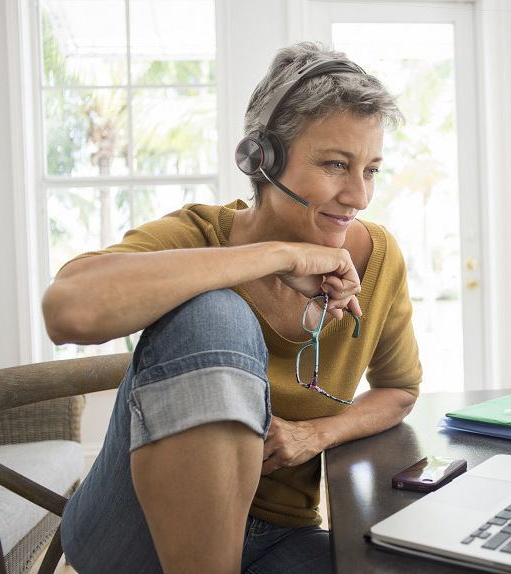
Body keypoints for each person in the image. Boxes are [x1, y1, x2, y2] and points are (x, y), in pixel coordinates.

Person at [42, 42, 422, 573]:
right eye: (336, 164)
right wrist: (275, 255)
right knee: (212, 312)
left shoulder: (377, 258)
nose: (358, 195)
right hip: (134, 531)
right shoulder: (195, 235)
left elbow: (399, 389)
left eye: (372, 169)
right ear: (261, 158)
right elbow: (68, 311)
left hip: (277, 536)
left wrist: (317, 434)